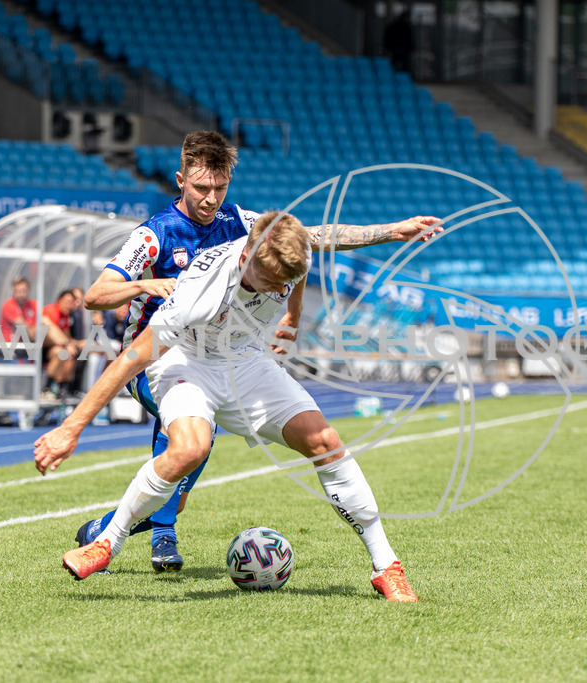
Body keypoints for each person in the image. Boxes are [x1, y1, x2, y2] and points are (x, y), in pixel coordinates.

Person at [78, 130, 440, 573]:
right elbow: (96, 295)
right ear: (180, 181)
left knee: (189, 462)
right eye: (200, 188)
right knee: (193, 439)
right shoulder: (154, 235)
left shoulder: (243, 222)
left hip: (230, 352)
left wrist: (390, 232)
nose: (211, 199)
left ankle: (116, 528)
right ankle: (158, 531)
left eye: (220, 187)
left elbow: (312, 237)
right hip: (158, 356)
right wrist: (144, 284)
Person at [34, 211, 418, 602]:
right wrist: (71, 429)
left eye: (284, 283)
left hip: (244, 361)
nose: (277, 288)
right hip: (186, 361)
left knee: (326, 441)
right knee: (190, 448)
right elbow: (133, 358)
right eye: (271, 282)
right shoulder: (202, 289)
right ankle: (106, 543)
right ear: (247, 255)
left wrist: (389, 233)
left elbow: (317, 246)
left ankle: (386, 566)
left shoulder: (286, 255)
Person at [40, 289, 82, 399]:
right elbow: (52, 333)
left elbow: (66, 337)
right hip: (39, 348)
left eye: (71, 303)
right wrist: (68, 344)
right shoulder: (51, 311)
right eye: (66, 301)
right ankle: (46, 388)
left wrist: (75, 344)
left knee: (71, 352)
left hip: (52, 348)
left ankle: (64, 389)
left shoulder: (66, 317)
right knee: (61, 352)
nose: (69, 305)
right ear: (59, 300)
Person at [0, 275, 37, 345]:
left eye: (24, 291)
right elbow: (26, 329)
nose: (21, 294)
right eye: (18, 291)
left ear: (28, 291)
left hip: (27, 344)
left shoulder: (34, 304)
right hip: (10, 345)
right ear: (13, 291)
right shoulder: (9, 304)